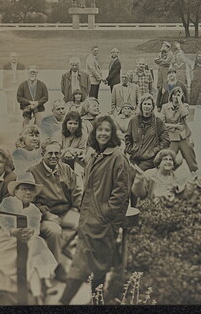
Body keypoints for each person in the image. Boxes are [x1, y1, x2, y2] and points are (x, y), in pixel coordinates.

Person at [59, 115, 131, 304]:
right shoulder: (94, 154)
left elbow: (121, 192)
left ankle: (63, 302)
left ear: (112, 133)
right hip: (88, 218)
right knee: (94, 265)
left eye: (107, 130)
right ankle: (95, 302)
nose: (103, 133)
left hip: (102, 221)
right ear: (95, 132)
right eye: (100, 130)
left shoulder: (117, 157)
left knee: (86, 264)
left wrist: (106, 215)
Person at [0, 172, 58, 300]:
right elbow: (6, 222)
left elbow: (35, 228)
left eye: (31, 190)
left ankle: (38, 295)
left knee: (36, 242)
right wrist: (13, 231)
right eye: (24, 189)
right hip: (3, 239)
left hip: (25, 240)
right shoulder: (8, 202)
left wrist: (31, 232)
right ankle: (45, 281)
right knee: (35, 245)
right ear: (16, 191)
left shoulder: (35, 210)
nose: (28, 192)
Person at [27, 138, 83, 282]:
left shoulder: (66, 169)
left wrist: (85, 211)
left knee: (86, 224)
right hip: (44, 216)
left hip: (65, 211)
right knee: (55, 232)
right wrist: (46, 214)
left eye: (57, 154)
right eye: (50, 153)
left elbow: (76, 193)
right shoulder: (32, 173)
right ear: (42, 154)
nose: (53, 157)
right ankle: (57, 268)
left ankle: (80, 264)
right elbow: (28, 203)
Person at [125, 94, 170, 171]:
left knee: (138, 174)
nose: (146, 106)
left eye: (149, 104)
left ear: (152, 106)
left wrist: (154, 151)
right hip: (134, 157)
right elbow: (128, 137)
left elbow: (166, 141)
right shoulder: (133, 120)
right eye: (144, 104)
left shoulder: (158, 122)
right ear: (141, 106)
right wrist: (130, 149)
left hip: (149, 160)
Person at [161, 87, 198, 172]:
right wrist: (175, 126)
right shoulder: (165, 107)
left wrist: (180, 102)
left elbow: (185, 114)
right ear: (171, 96)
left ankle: (196, 179)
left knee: (191, 161)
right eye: (174, 95)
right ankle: (167, 176)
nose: (176, 97)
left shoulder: (184, 106)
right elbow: (161, 124)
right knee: (168, 159)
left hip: (184, 136)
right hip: (171, 137)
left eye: (178, 95)